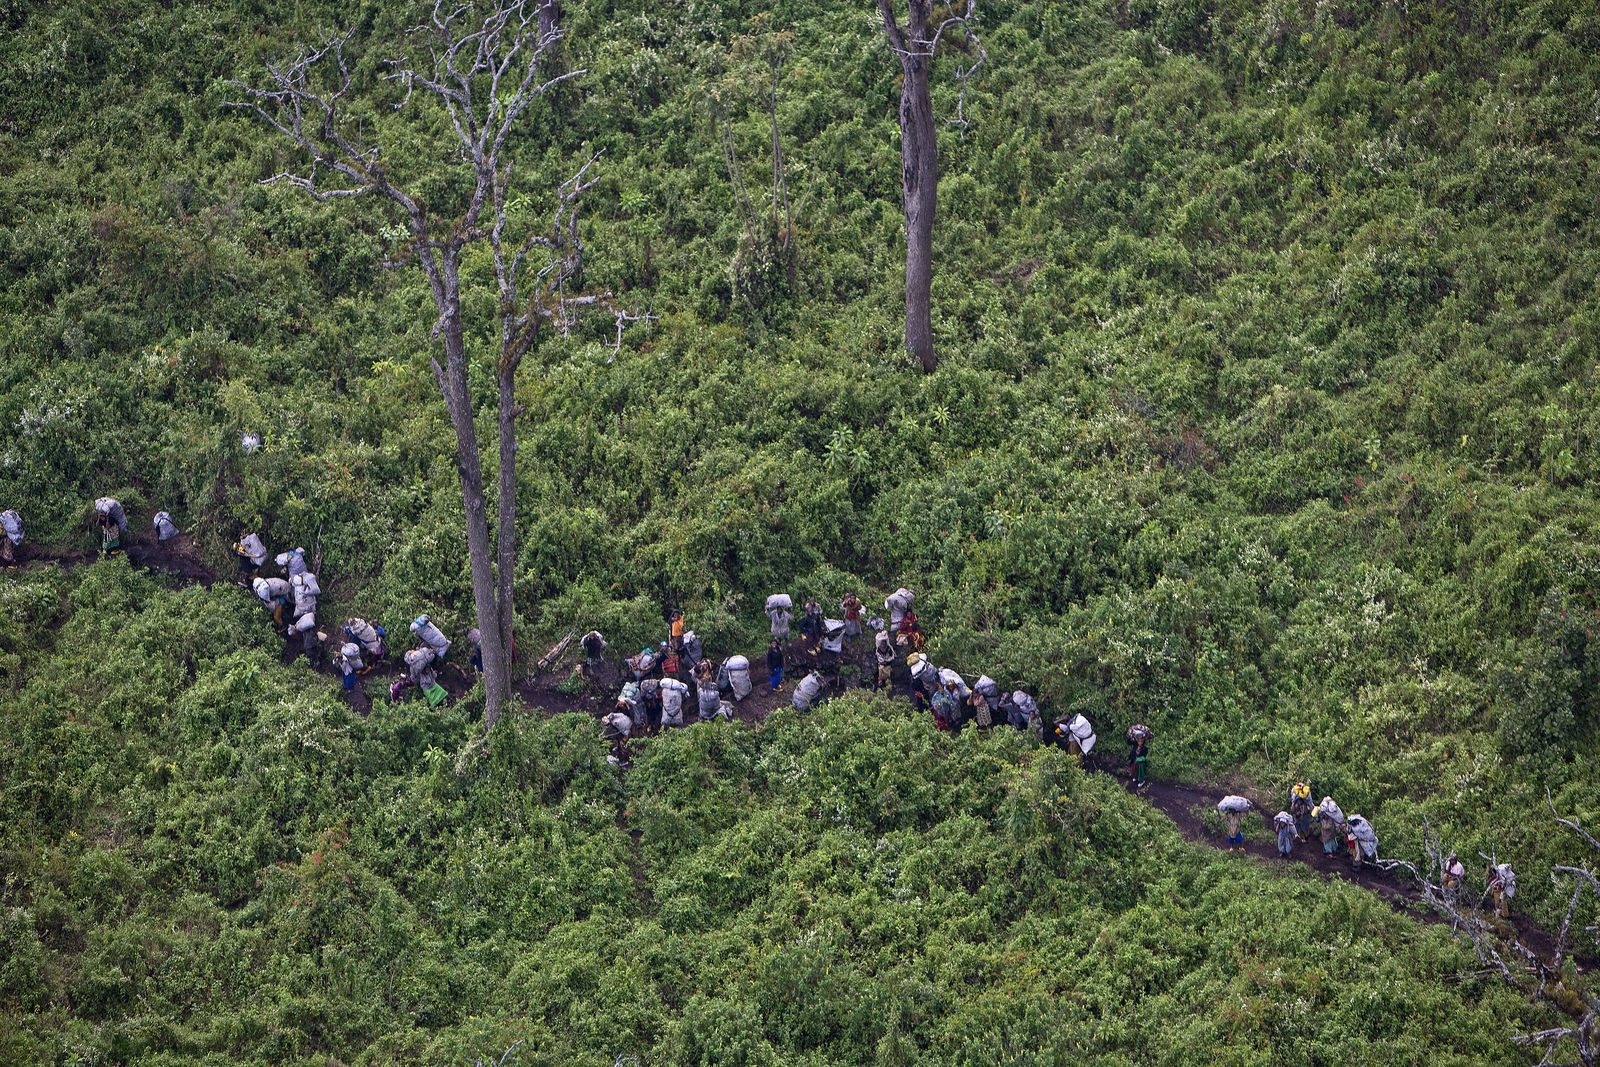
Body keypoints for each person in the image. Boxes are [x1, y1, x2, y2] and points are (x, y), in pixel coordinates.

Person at [1126, 724, 1152, 790]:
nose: (1139, 741)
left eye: (1141, 740)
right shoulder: (1135, 745)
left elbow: (1144, 757)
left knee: (1140, 771)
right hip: (1134, 760)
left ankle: (1141, 781)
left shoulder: (1144, 748)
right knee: (1133, 770)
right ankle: (1135, 777)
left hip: (1140, 763)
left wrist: (1139, 759)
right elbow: (1129, 742)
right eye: (1138, 740)